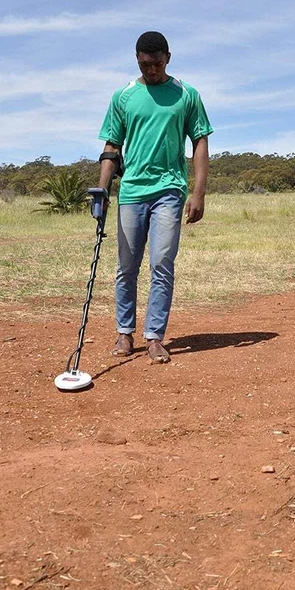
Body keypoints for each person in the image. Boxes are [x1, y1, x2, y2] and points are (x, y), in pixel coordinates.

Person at [97, 31, 213, 364]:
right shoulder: (123, 96)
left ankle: (154, 337)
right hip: (132, 190)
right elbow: (111, 147)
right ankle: (124, 332)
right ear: (137, 59)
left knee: (162, 264)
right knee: (126, 267)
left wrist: (198, 191)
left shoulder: (187, 95)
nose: (151, 70)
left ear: (168, 58)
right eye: (145, 64)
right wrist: (102, 190)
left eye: (157, 64)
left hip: (169, 190)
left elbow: (200, 142)